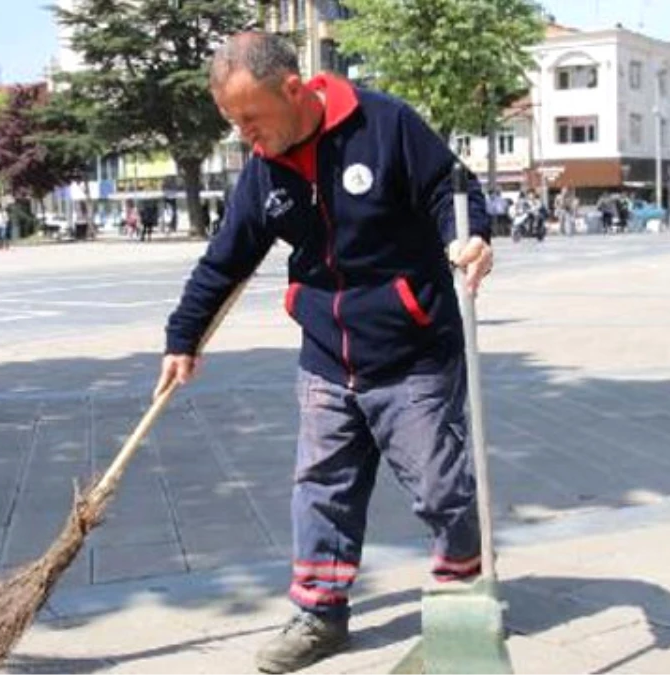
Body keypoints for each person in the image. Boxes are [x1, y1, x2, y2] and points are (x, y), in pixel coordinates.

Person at [155, 32, 493, 674]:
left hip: (412, 348)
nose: (245, 135)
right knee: (321, 488)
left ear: (292, 88)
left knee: (439, 485)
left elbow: (454, 191)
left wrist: (469, 237)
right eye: (233, 122)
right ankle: (319, 615)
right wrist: (183, 339)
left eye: (251, 118)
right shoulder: (263, 170)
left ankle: (462, 590)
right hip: (326, 357)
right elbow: (224, 260)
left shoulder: (385, 124)